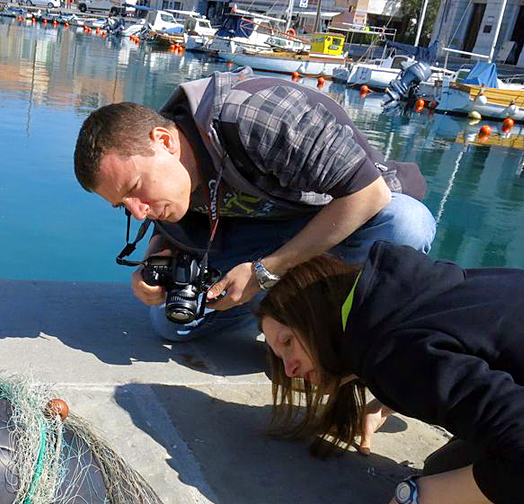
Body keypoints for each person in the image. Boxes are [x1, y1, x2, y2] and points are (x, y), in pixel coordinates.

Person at [255, 241, 524, 504]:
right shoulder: (395, 294)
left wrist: (416, 498)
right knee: (450, 469)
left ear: (316, 318)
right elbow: (457, 335)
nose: (290, 368)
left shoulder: (395, 353)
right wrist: (389, 395)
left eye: (288, 343)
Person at [73, 69, 437, 341]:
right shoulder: (171, 171)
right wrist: (156, 263)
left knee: (407, 224)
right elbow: (169, 225)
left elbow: (368, 194)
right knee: (173, 324)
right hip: (255, 236)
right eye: (124, 205)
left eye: (135, 188)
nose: (138, 210)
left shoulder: (256, 115)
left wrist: (265, 272)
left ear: (165, 141)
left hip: (338, 221)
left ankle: (344, 330)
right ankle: (279, 313)